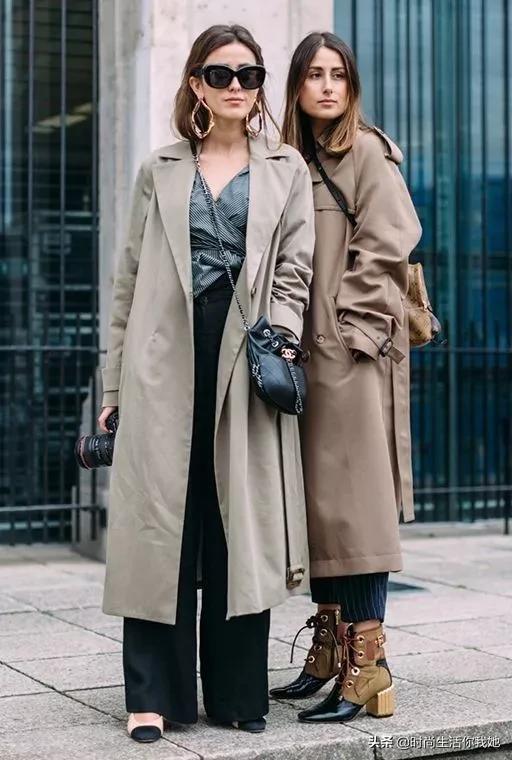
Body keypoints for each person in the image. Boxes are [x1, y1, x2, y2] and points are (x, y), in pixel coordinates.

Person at [98, 24, 314, 742]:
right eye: (220, 74)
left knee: (235, 526)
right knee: (161, 527)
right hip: (162, 359)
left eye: (249, 75)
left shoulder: (285, 168)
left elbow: (295, 268)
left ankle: (236, 693)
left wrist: (281, 335)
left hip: (243, 355)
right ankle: (152, 696)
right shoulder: (159, 167)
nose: (236, 86)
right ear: (196, 83)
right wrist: (113, 389)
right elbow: (127, 280)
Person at [270, 31, 422, 723]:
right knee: (319, 507)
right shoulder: (290, 160)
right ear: (297, 87)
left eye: (338, 74)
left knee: (356, 509)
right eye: (314, 75)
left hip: (350, 357)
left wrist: (351, 331)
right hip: (302, 357)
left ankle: (369, 666)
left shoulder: (365, 151)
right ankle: (331, 650)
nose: (327, 86)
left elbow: (391, 241)